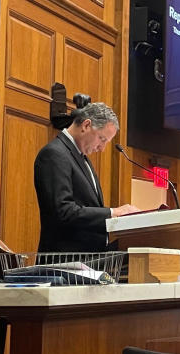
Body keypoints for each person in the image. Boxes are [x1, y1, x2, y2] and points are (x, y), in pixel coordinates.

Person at [34, 102, 139, 252]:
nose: (102, 149)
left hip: (87, 262)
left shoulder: (81, 158)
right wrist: (112, 213)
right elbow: (62, 211)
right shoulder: (54, 154)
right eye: (102, 139)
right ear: (86, 125)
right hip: (64, 263)